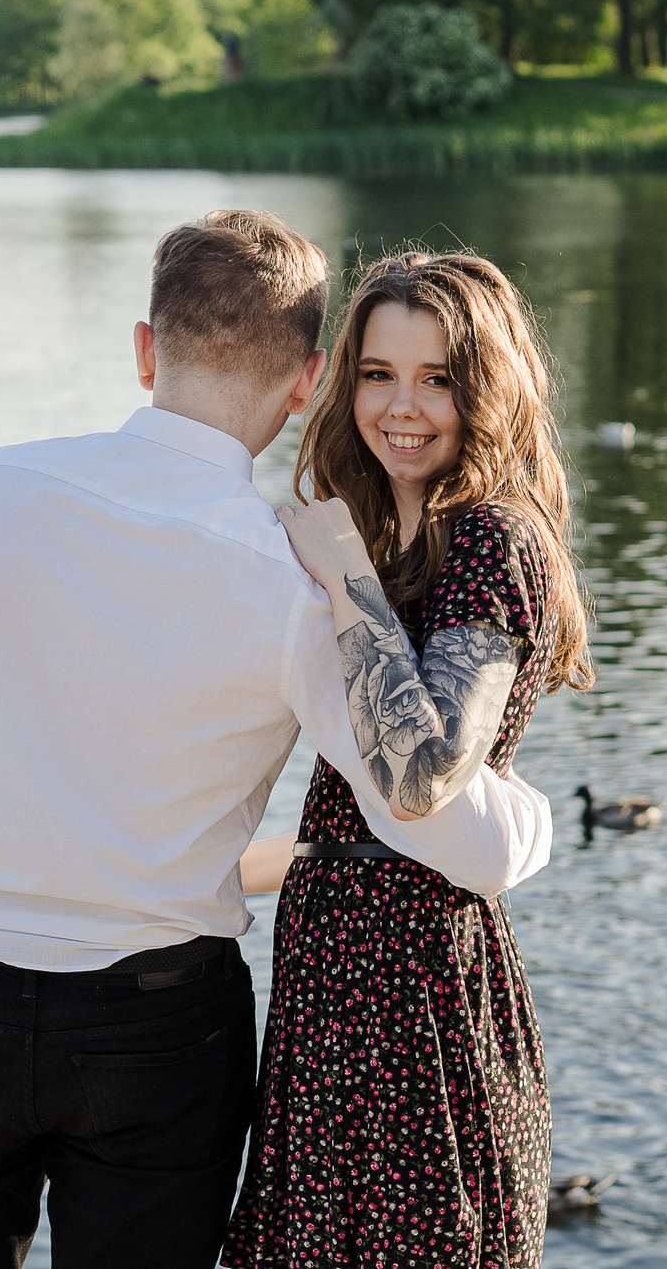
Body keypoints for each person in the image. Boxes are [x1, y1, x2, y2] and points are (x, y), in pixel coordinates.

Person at [0, 211, 556, 1269]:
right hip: (148, 1027)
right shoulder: (289, 581)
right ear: (307, 381)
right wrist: (526, 828)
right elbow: (432, 810)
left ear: (145, 348)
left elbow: (9, 721)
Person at [224, 249, 595, 1269]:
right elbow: (340, 817)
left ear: (487, 390)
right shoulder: (399, 539)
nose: (403, 407)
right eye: (379, 374)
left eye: (439, 378)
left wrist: (337, 566)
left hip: (418, 998)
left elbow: (420, 772)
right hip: (334, 980)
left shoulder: (492, 542)